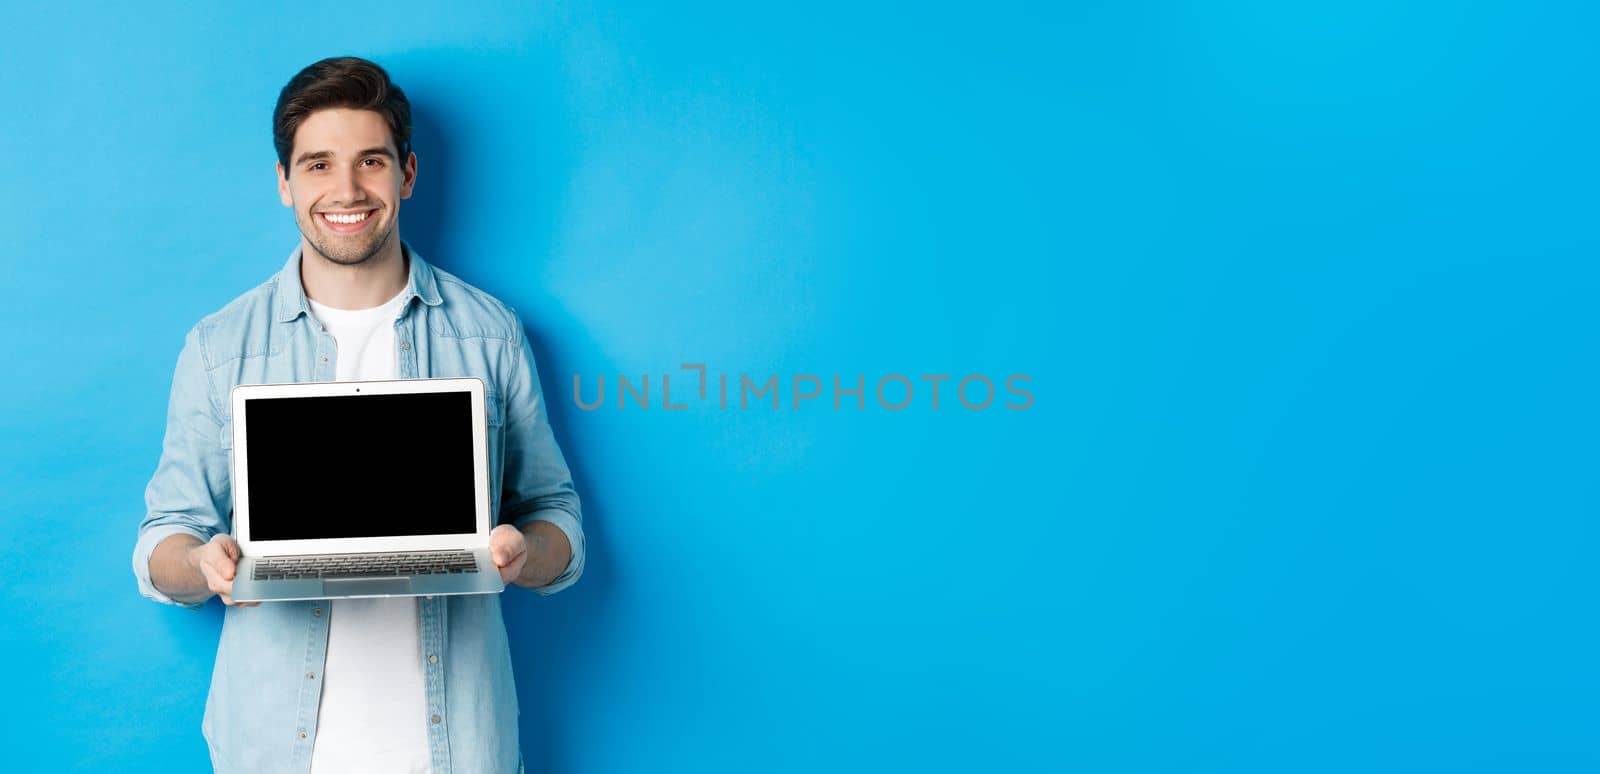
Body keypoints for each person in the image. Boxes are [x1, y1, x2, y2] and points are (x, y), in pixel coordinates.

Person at [131, 56, 584, 774]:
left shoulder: (490, 333)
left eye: (369, 162)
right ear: (284, 183)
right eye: (317, 165)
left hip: (457, 745)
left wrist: (525, 554)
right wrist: (202, 564)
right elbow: (163, 544)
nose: (345, 190)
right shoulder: (220, 347)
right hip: (273, 747)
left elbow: (557, 516)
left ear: (405, 174)